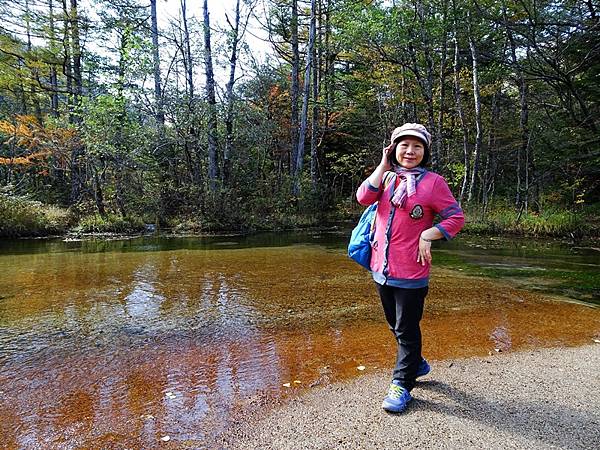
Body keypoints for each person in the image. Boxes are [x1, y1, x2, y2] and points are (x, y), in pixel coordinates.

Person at [355, 123, 464, 413]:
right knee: (395, 325)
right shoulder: (386, 179)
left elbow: (456, 217)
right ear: (394, 148)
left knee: (405, 328)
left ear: (425, 151)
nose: (410, 151)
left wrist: (429, 234)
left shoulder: (433, 183)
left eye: (417, 146)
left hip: (413, 272)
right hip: (381, 268)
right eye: (404, 145)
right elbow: (363, 197)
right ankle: (415, 362)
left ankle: (402, 385)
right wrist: (382, 163)